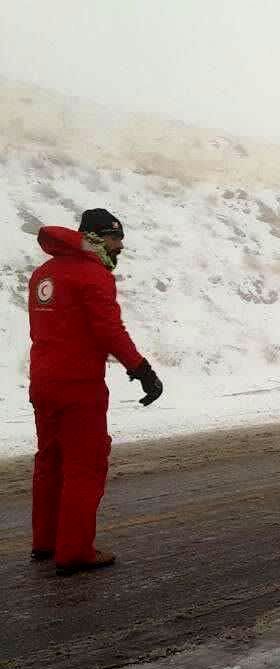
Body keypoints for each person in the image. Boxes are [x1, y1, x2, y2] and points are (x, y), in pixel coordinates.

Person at [28, 209, 163, 576]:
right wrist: (141, 369)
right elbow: (108, 330)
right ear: (99, 237)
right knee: (84, 466)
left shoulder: (44, 274)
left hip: (42, 384)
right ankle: (73, 551)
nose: (120, 247)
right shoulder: (92, 275)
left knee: (50, 460)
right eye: (116, 239)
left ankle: (46, 541)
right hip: (78, 387)